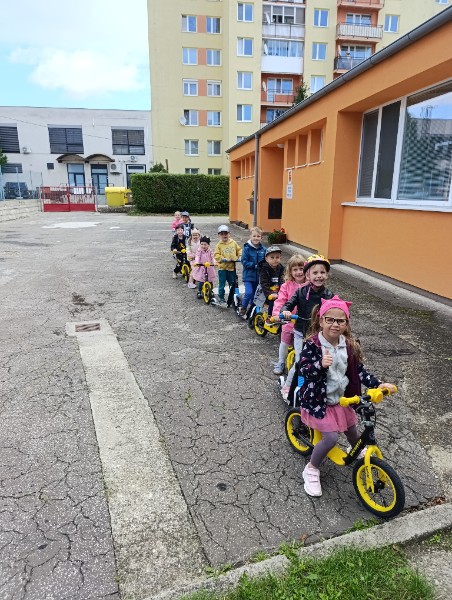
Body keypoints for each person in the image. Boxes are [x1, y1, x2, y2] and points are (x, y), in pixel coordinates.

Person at [297, 295, 396, 497]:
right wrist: (319, 365)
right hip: (319, 401)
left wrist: (378, 384)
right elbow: (304, 370)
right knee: (331, 438)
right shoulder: (313, 344)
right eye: (330, 319)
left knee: (352, 430)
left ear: (346, 323)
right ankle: (312, 468)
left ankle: (356, 450)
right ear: (321, 321)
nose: (335, 324)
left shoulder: (348, 346)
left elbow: (359, 371)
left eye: (340, 321)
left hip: (341, 400)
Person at [280, 254, 334, 400]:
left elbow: (337, 309)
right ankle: (289, 386)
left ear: (327, 275)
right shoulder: (301, 292)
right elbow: (288, 304)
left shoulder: (329, 295)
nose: (319, 276)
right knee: (301, 361)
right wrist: (285, 311)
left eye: (322, 272)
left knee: (323, 361)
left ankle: (319, 387)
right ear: (308, 275)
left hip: (319, 335)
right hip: (301, 333)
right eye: (315, 273)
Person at [271, 254, 306, 375]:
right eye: (295, 269)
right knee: (284, 343)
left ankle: (302, 365)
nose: (299, 272)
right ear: (290, 271)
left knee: (303, 345)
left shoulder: (310, 286)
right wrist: (277, 314)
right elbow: (280, 301)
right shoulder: (286, 286)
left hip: (304, 322)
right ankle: (281, 361)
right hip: (289, 320)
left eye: (301, 269)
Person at [252, 245, 285, 322]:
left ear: (280, 258)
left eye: (277, 257)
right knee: (273, 301)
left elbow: (282, 281)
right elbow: (263, 283)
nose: (275, 259)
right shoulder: (264, 269)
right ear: (266, 259)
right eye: (272, 257)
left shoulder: (281, 268)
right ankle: (270, 317)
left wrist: (283, 291)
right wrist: (269, 293)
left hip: (276, 291)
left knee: (285, 300)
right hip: (265, 291)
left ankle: (281, 315)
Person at [239, 226, 266, 319]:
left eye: (258, 236)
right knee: (249, 293)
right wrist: (254, 265)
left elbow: (266, 261)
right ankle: (243, 308)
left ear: (261, 238)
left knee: (255, 296)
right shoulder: (246, 248)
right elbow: (244, 261)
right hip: (248, 276)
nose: (256, 238)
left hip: (259, 277)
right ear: (250, 236)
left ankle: (252, 311)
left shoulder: (263, 250)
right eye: (254, 236)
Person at [214, 225, 242, 307]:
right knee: (222, 284)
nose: (224, 235)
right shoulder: (219, 245)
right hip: (222, 268)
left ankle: (233, 297)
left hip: (232, 268)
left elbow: (239, 250)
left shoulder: (233, 243)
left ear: (229, 234)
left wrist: (240, 256)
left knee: (233, 284)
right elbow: (216, 255)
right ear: (219, 235)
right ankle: (221, 298)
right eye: (222, 234)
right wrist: (223, 259)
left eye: (225, 233)